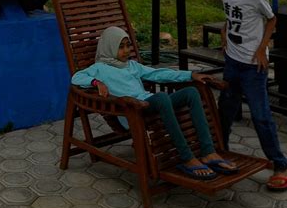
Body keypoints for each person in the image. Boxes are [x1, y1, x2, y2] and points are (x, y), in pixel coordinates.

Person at [71, 25, 239, 181]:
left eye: (127, 45)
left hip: (151, 104)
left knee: (191, 92)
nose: (126, 51)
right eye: (120, 47)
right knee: (161, 98)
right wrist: (96, 83)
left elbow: (158, 73)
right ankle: (187, 157)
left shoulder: (132, 65)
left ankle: (208, 151)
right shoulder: (100, 68)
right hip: (132, 111)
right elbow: (76, 77)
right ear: (109, 47)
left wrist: (190, 75)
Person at [216, 0, 287, 191]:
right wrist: (225, 30)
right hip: (232, 61)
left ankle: (279, 164)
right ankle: (221, 152)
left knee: (260, 116)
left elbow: (271, 19)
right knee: (225, 111)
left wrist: (262, 49)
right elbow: (231, 15)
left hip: (253, 66)